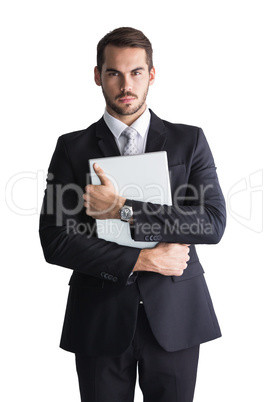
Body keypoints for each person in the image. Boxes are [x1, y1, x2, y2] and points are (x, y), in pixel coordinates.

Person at [39, 27, 226, 402]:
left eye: (136, 72)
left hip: (176, 316)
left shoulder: (189, 141)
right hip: (99, 316)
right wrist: (142, 259)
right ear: (98, 76)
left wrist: (122, 209)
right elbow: (57, 240)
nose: (126, 84)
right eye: (114, 73)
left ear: (151, 75)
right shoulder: (72, 148)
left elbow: (211, 222)